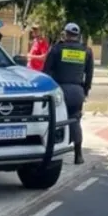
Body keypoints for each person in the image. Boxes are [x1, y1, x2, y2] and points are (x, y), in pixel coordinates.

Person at [42, 22, 93, 165]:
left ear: (65, 34)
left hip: (59, 90)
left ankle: (53, 154)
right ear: (78, 35)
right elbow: (89, 75)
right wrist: (85, 91)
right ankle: (78, 155)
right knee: (75, 120)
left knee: (56, 121)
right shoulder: (86, 51)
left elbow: (46, 72)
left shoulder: (57, 49)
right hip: (77, 91)